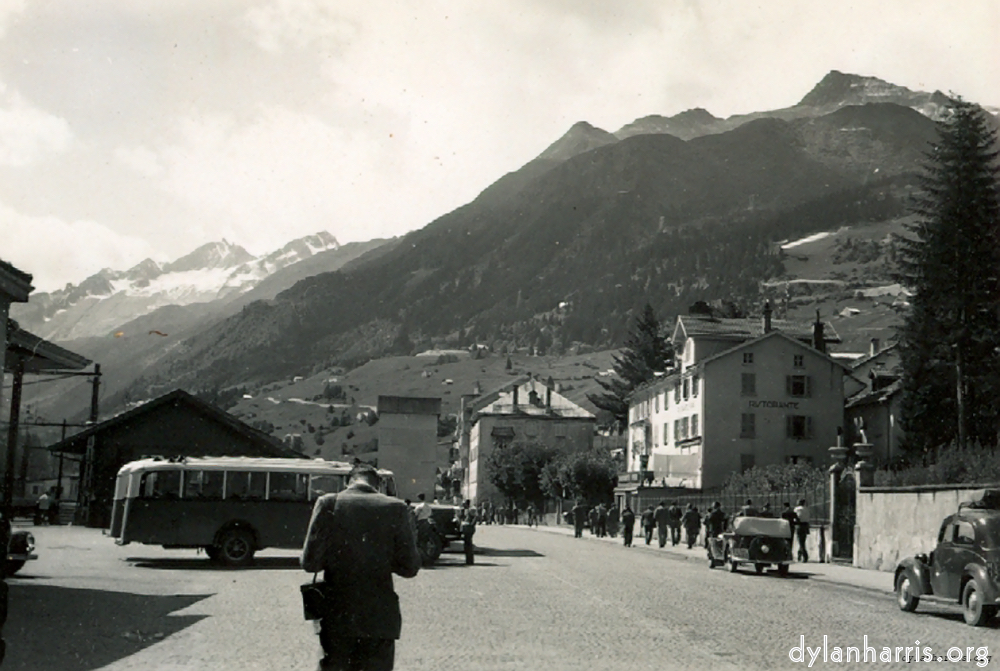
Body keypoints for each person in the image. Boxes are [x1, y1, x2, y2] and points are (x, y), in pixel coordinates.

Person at [301, 463, 421, 671]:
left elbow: (309, 563)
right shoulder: (397, 508)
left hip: (337, 616)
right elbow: (410, 568)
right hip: (380, 618)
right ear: (378, 485)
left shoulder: (328, 503)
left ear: (348, 482)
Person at [456, 500, 478, 565]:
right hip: (465, 527)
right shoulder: (464, 510)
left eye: (464, 504)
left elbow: (475, 518)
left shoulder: (471, 510)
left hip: (468, 527)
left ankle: (470, 560)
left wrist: (471, 524)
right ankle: (468, 560)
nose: (463, 505)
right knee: (466, 545)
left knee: (468, 544)